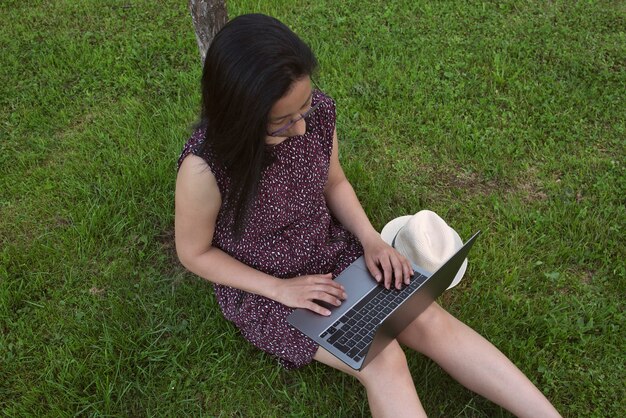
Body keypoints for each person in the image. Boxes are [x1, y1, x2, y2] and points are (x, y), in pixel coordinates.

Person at [175, 13, 561, 418]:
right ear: (240, 116)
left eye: (304, 107)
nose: (302, 128)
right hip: (267, 289)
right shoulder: (205, 170)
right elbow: (194, 253)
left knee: (429, 319)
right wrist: (280, 288)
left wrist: (371, 238)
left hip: (331, 251)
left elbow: (335, 184)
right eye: (282, 122)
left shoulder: (319, 115)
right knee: (382, 359)